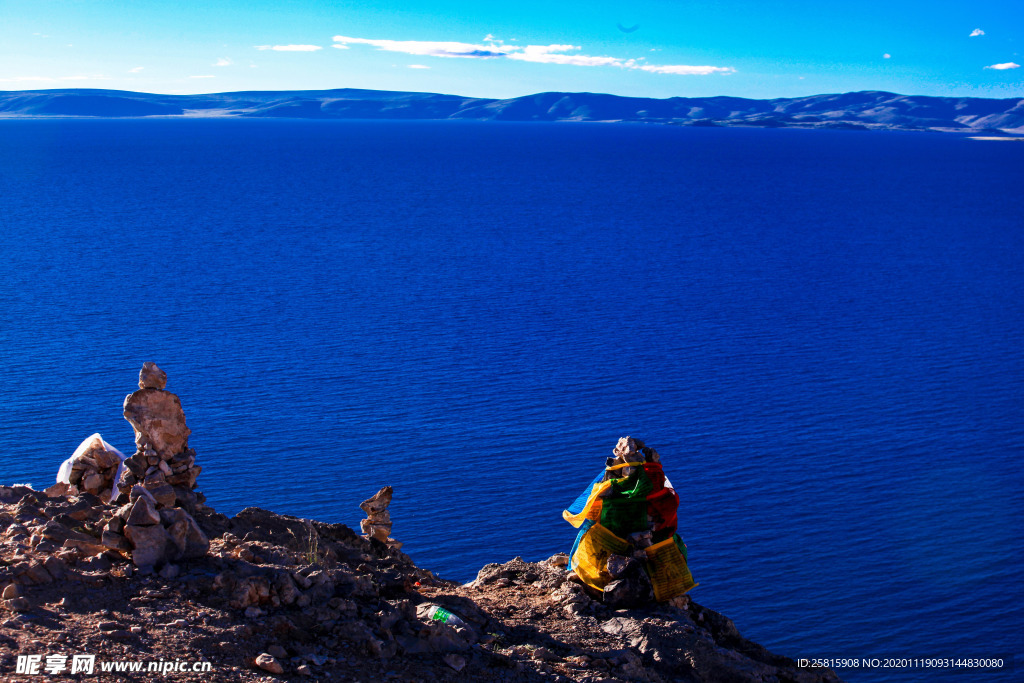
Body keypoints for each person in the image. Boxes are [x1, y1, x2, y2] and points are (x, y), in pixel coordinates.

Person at [563, 437, 696, 606]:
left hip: (623, 542)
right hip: (641, 541)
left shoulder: (614, 488)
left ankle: (597, 579)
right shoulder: (655, 492)